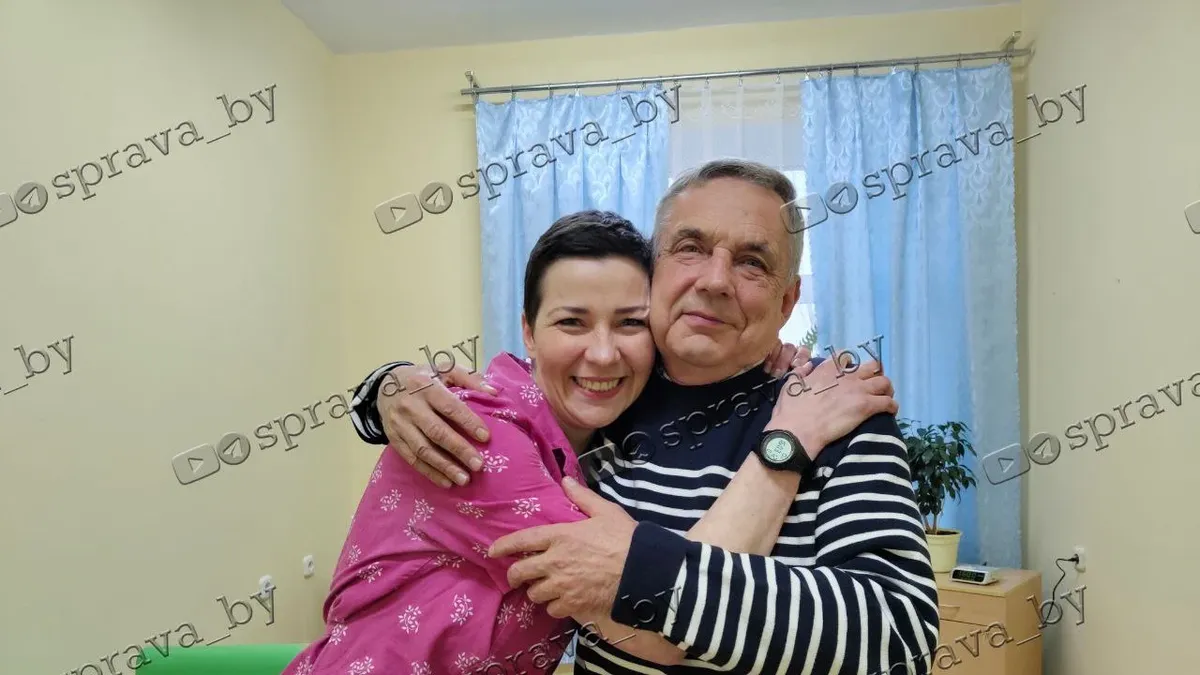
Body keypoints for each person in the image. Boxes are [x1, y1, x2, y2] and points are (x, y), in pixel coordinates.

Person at [349, 159, 937, 674]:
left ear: (786, 301)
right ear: (656, 273)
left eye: (752, 262)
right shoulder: (604, 399)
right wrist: (386, 388)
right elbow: (497, 400)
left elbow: (900, 636)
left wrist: (639, 573)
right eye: (691, 247)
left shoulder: (834, 409)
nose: (715, 280)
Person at [282, 210, 814, 675]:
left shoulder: (606, 430)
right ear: (529, 332)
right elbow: (666, 621)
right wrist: (790, 440)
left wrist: (760, 365)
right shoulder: (479, 433)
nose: (603, 354)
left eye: (630, 323)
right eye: (572, 322)